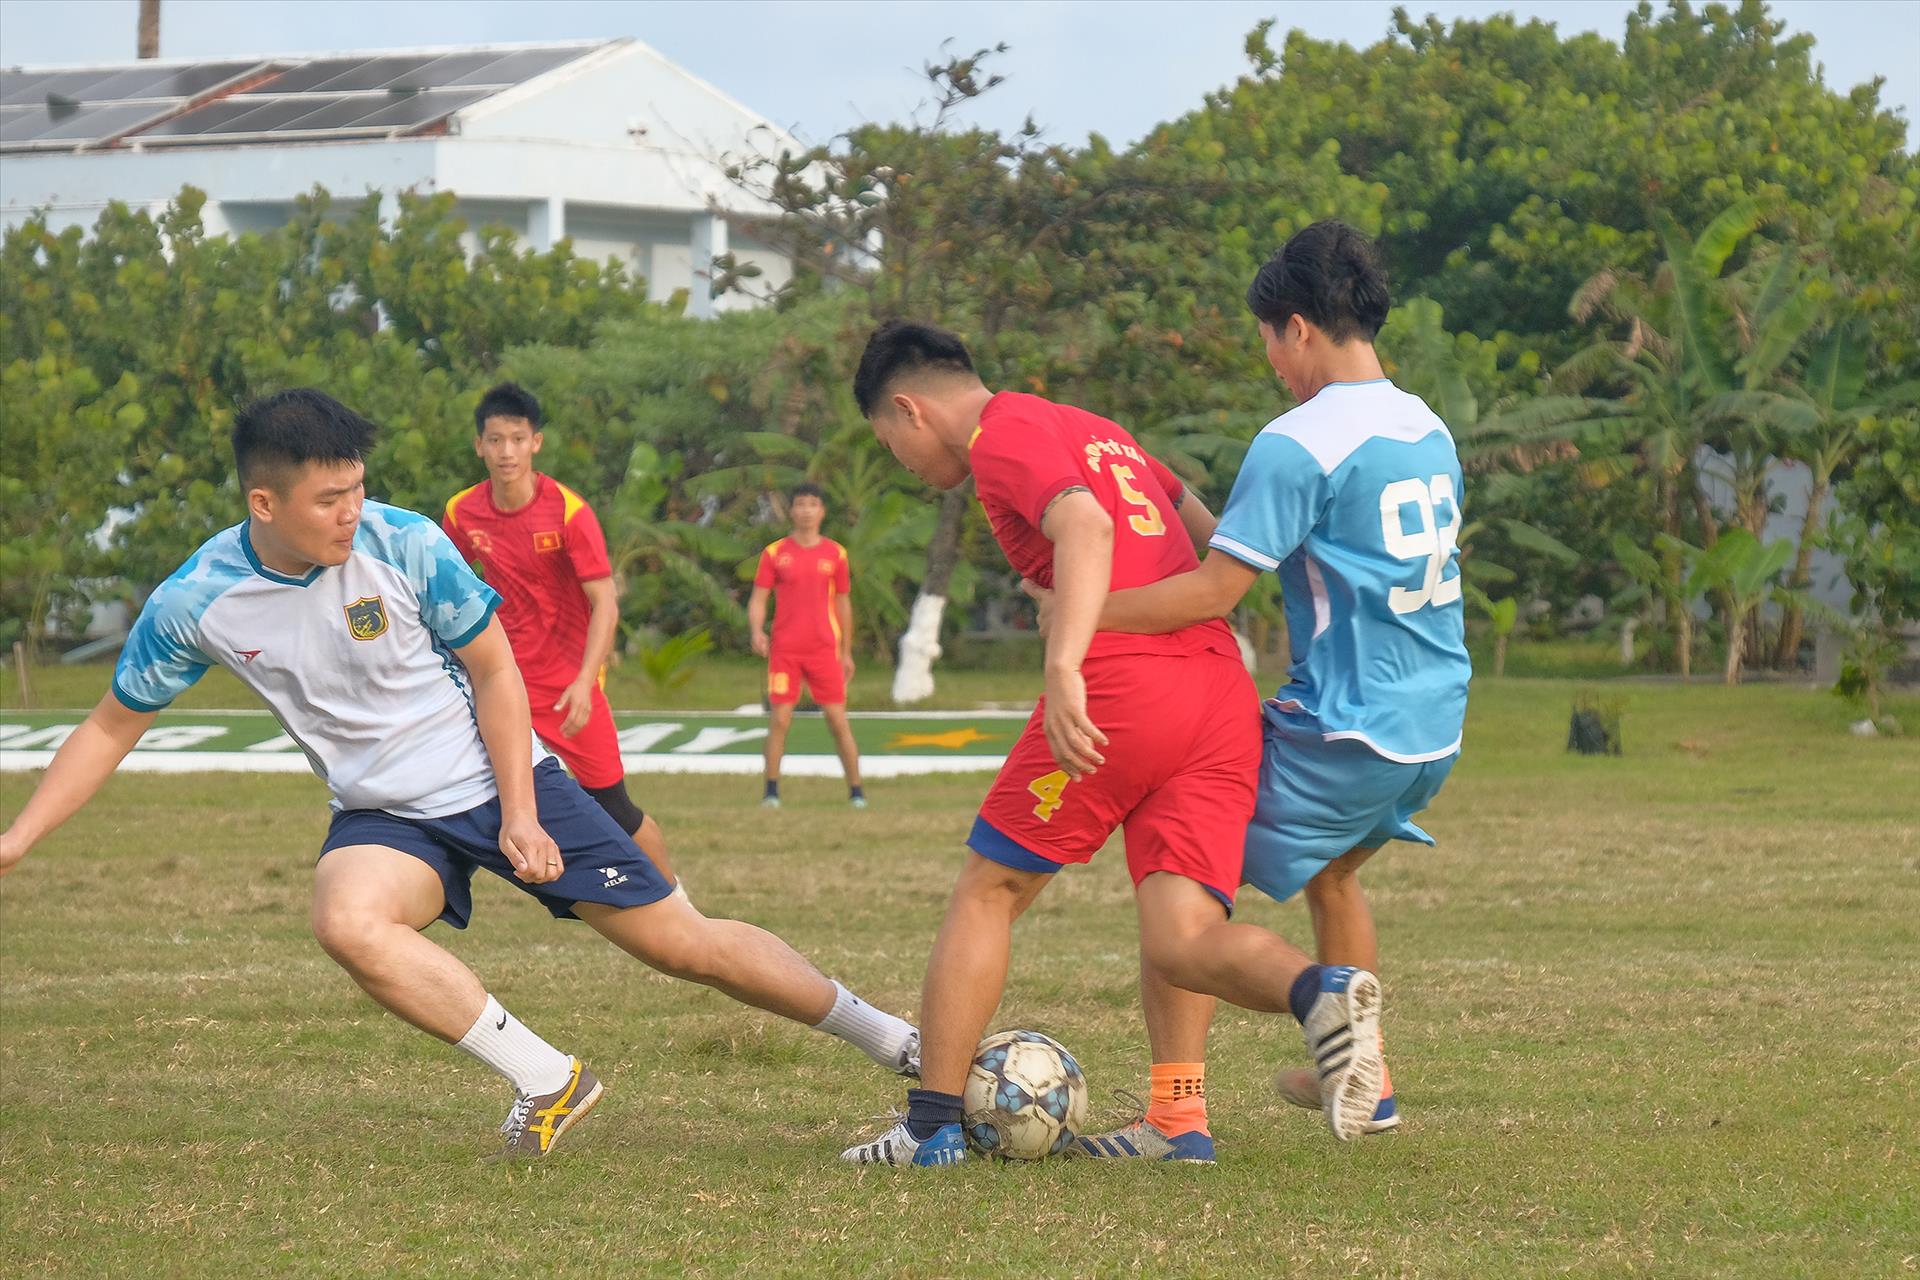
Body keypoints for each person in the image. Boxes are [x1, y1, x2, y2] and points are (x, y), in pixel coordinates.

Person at [0, 389, 920, 1160]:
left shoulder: (404, 543)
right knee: (345, 918)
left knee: (685, 945)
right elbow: (110, 726)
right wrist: (17, 839)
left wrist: (521, 812)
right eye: (327, 500)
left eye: (356, 490)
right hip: (384, 814)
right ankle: (548, 1078)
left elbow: (494, 669)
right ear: (264, 504)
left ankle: (901, 1043)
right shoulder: (195, 601)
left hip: (499, 776)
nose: (350, 513)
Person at [837, 321, 1385, 1169]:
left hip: (1123, 690)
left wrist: (1063, 664)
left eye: (890, 443)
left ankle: (931, 1127)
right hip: (1216, 689)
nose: (905, 465)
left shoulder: (1001, 437)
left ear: (909, 409)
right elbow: (1209, 526)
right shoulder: (1094, 428)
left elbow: (1085, 529)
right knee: (1183, 929)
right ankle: (1285, 1022)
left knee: (992, 887)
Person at [1055, 220, 1472, 1142]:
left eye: (1270, 345)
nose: (1274, 367)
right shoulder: (1424, 424)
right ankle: (1374, 1074)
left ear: (1298, 328)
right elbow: (1266, 543)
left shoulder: (1300, 438)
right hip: (1432, 726)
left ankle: (1176, 1119)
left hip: (1345, 726)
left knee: (1176, 869)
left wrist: (1079, 617)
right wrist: (1168, 494)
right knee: (1332, 876)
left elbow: (1215, 590)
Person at [443, 382, 679, 891]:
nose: (507, 451)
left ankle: (677, 901)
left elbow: (605, 603)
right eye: (496, 440)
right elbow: (450, 594)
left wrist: (583, 682)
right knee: (466, 794)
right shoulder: (461, 513)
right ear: (479, 445)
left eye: (518, 439)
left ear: (537, 443)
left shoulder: (569, 512)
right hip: (500, 682)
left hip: (567, 686)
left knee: (616, 808)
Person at [747, 482, 864, 809]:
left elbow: (843, 605)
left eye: (813, 504)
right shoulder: (774, 553)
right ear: (792, 510)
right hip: (785, 650)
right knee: (780, 718)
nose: (806, 510)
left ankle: (856, 792)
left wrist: (846, 651)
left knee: (837, 720)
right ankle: (771, 791)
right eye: (800, 504)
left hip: (824, 649)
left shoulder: (835, 554)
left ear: (822, 511)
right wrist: (757, 630)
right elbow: (759, 597)